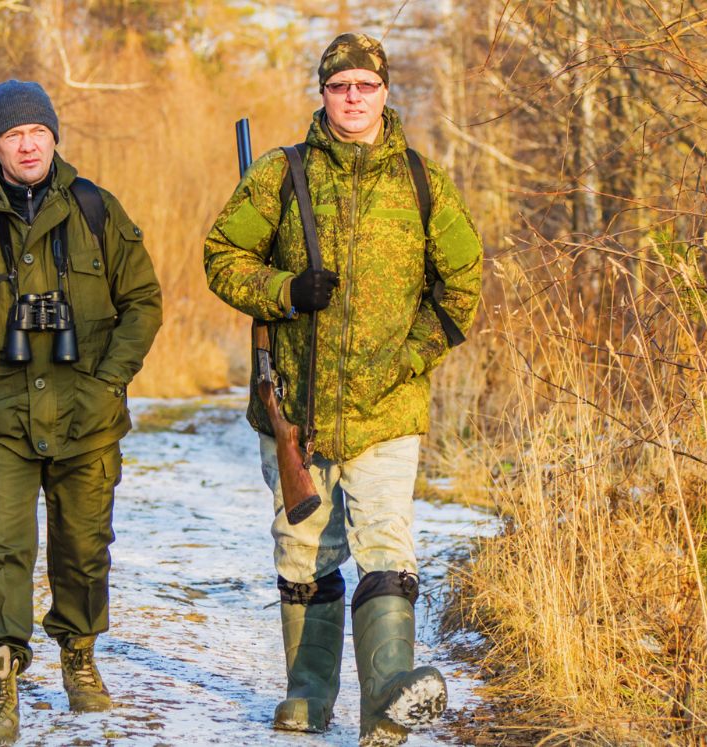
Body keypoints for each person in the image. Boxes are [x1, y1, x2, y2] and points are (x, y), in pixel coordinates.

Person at [204, 33, 483, 746]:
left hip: (387, 409)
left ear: (386, 93)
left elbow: (463, 285)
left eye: (365, 85)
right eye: (339, 86)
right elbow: (222, 257)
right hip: (294, 401)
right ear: (322, 93)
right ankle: (307, 692)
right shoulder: (279, 174)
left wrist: (408, 358)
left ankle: (387, 700)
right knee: (304, 552)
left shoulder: (423, 182)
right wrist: (285, 290)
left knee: (387, 545)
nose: (353, 97)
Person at [0, 80, 162, 746]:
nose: (28, 145)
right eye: (13, 135)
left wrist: (109, 380)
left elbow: (143, 300)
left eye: (38, 133)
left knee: (83, 548)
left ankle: (79, 655)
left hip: (89, 416)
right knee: (0, 547)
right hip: (1, 421)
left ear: (54, 136)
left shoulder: (96, 210)